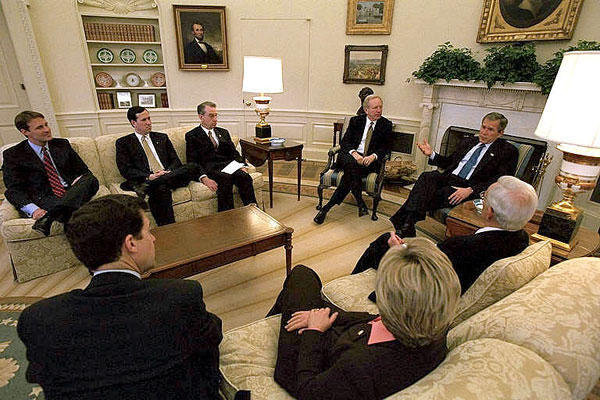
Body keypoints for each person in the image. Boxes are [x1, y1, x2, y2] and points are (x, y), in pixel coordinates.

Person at [17, 194, 223, 399]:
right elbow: (211, 342)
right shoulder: (180, 296)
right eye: (148, 230)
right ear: (131, 243)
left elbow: (41, 377)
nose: (153, 238)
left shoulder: (37, 320)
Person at [267, 237, 460, 400]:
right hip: (341, 334)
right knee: (303, 287)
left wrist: (314, 331)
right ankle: (280, 310)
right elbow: (373, 320)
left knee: (302, 275)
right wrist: (330, 316)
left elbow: (308, 392)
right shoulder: (434, 326)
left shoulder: (359, 366)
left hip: (308, 362)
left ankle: (273, 316)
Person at [354, 176, 537, 300]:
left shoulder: (461, 246)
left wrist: (397, 251)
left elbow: (420, 273)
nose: (482, 199)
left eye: (484, 196)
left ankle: (347, 290)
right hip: (451, 278)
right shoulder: (522, 239)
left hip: (418, 295)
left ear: (489, 212)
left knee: (385, 239)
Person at [389, 112, 518, 238]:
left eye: (490, 129)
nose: (484, 132)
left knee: (430, 192)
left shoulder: (507, 151)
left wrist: (470, 190)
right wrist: (431, 154)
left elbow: (500, 180)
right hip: (449, 177)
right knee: (426, 176)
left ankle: (405, 222)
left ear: (500, 133)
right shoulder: (469, 142)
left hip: (467, 186)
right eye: (483, 127)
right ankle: (407, 224)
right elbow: (449, 162)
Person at [2, 110, 99, 236]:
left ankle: (49, 217)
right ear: (25, 132)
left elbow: (84, 171)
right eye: (40, 127)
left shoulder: (62, 144)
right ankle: (64, 211)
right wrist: (34, 209)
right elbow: (13, 189)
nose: (47, 129)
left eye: (46, 125)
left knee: (90, 180)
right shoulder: (13, 155)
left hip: (73, 190)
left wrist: (78, 179)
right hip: (45, 196)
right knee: (77, 215)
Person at [116, 106, 201, 226]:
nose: (149, 123)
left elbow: (175, 161)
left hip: (169, 175)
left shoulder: (162, 138)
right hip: (150, 179)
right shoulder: (124, 143)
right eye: (144, 120)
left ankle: (151, 184)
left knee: (192, 166)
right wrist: (149, 176)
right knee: (161, 190)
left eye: (149, 118)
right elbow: (126, 170)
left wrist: (168, 172)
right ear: (133, 123)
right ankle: (169, 229)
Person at [314, 95, 392, 224]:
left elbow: (386, 147)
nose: (379, 110)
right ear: (366, 110)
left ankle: (326, 209)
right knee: (352, 164)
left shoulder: (386, 125)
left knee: (349, 176)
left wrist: (373, 156)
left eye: (380, 107)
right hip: (350, 157)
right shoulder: (356, 121)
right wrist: (354, 153)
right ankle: (360, 202)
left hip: (368, 161)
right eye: (375, 108)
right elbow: (345, 142)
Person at [186, 101, 257, 211]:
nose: (215, 119)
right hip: (210, 168)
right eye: (211, 116)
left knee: (245, 177)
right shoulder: (192, 135)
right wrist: (204, 178)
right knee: (225, 180)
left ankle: (254, 211)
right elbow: (192, 161)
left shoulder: (223, 132)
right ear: (201, 117)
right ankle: (227, 216)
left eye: (216, 115)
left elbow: (234, 153)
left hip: (228, 166)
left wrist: (241, 166)